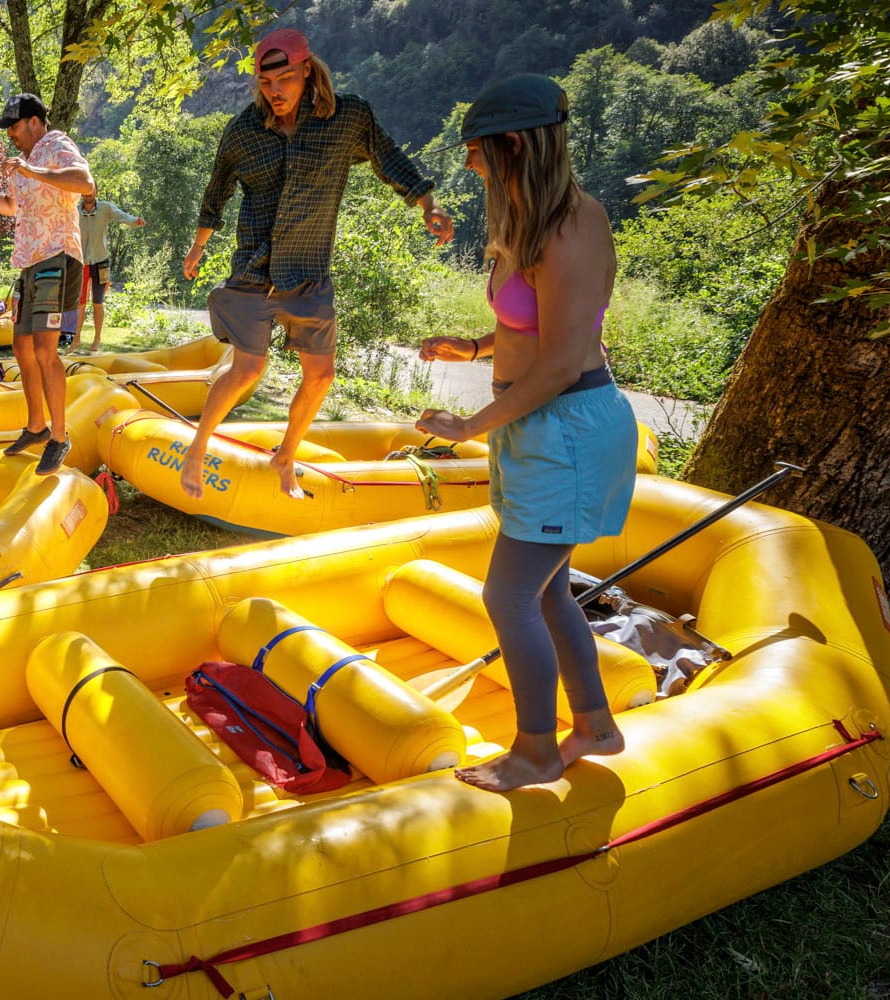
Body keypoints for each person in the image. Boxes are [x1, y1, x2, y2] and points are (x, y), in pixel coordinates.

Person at [413, 75, 637, 792]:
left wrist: (468, 427)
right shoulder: (528, 219)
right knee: (544, 593)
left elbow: (566, 359)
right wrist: (474, 349)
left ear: (514, 144)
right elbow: (531, 326)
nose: (471, 167)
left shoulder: (575, 225)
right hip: (538, 423)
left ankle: (536, 752)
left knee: (508, 598)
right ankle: (596, 726)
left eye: (478, 154)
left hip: (564, 426)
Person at [180, 27, 454, 500]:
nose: (276, 92)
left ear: (307, 69)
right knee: (247, 369)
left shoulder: (348, 117)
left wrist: (428, 204)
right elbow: (215, 193)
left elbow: (390, 159)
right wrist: (198, 247)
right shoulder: (243, 131)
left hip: (309, 272)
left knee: (322, 376)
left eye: (285, 79)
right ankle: (195, 449)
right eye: (266, 84)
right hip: (254, 272)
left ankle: (285, 456)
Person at [0, 93, 94, 475]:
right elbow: (11, 205)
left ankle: (60, 438)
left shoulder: (56, 145)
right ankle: (36, 427)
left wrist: (34, 172)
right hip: (29, 262)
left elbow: (84, 181)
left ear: (33, 121)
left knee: (46, 349)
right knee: (22, 347)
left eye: (13, 127)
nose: (10, 135)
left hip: (56, 256)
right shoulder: (22, 164)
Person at [76, 194, 143, 351]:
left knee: (98, 302)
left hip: (101, 261)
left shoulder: (105, 208)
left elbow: (122, 216)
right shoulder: (75, 210)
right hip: (81, 262)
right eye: (85, 191)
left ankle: (97, 339)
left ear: (95, 192)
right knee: (80, 303)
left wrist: (135, 221)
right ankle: (76, 338)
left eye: (91, 191)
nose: (88, 194)